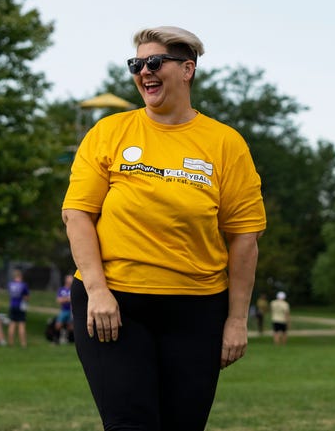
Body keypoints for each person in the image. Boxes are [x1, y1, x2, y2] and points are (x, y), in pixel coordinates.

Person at [61, 26, 267, 430]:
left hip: (197, 309)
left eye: (154, 62)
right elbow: (78, 215)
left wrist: (237, 320)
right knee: (130, 423)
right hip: (115, 304)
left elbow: (245, 237)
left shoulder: (225, 143)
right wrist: (98, 292)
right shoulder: (109, 132)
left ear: (187, 69)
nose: (144, 72)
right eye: (136, 64)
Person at [7, 269, 30, 348]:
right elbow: (26, 297)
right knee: (21, 325)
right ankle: (23, 344)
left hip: (12, 305)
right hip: (20, 306)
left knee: (12, 324)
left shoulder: (10, 284)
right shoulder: (23, 285)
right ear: (21, 276)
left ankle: (10, 343)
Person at [54, 274, 74, 345]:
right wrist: (67, 299)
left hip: (72, 311)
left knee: (70, 326)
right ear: (66, 280)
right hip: (64, 310)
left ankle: (70, 340)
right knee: (58, 324)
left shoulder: (73, 289)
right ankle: (56, 339)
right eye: (69, 279)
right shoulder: (61, 289)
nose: (71, 281)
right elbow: (58, 300)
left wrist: (66, 299)